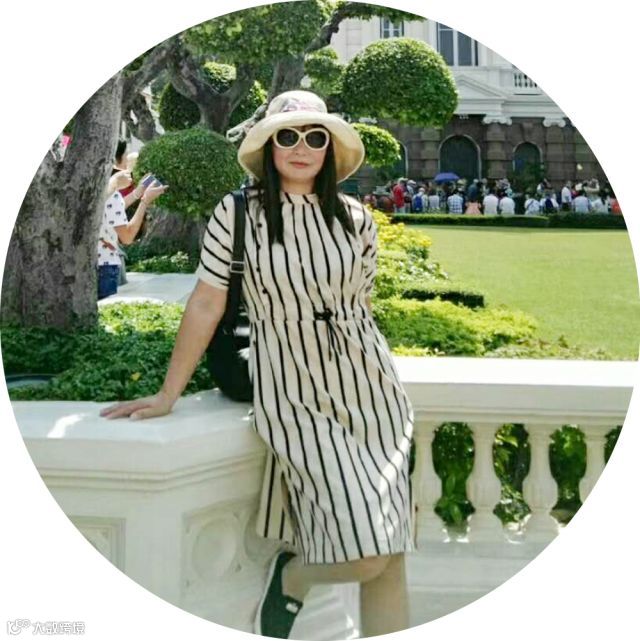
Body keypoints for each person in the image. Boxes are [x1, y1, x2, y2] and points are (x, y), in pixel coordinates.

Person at [98, 90, 416, 639]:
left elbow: (359, 304)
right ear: (268, 145)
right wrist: (168, 394)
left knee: (391, 556)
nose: (301, 146)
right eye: (286, 135)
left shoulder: (357, 218)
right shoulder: (239, 212)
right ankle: (293, 577)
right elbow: (206, 302)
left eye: (315, 136)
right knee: (368, 554)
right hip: (292, 385)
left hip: (373, 390)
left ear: (330, 147)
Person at [97, 170, 167, 299]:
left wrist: (138, 192)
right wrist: (145, 201)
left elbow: (111, 208)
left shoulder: (92, 192)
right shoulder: (113, 196)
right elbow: (127, 237)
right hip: (104, 267)